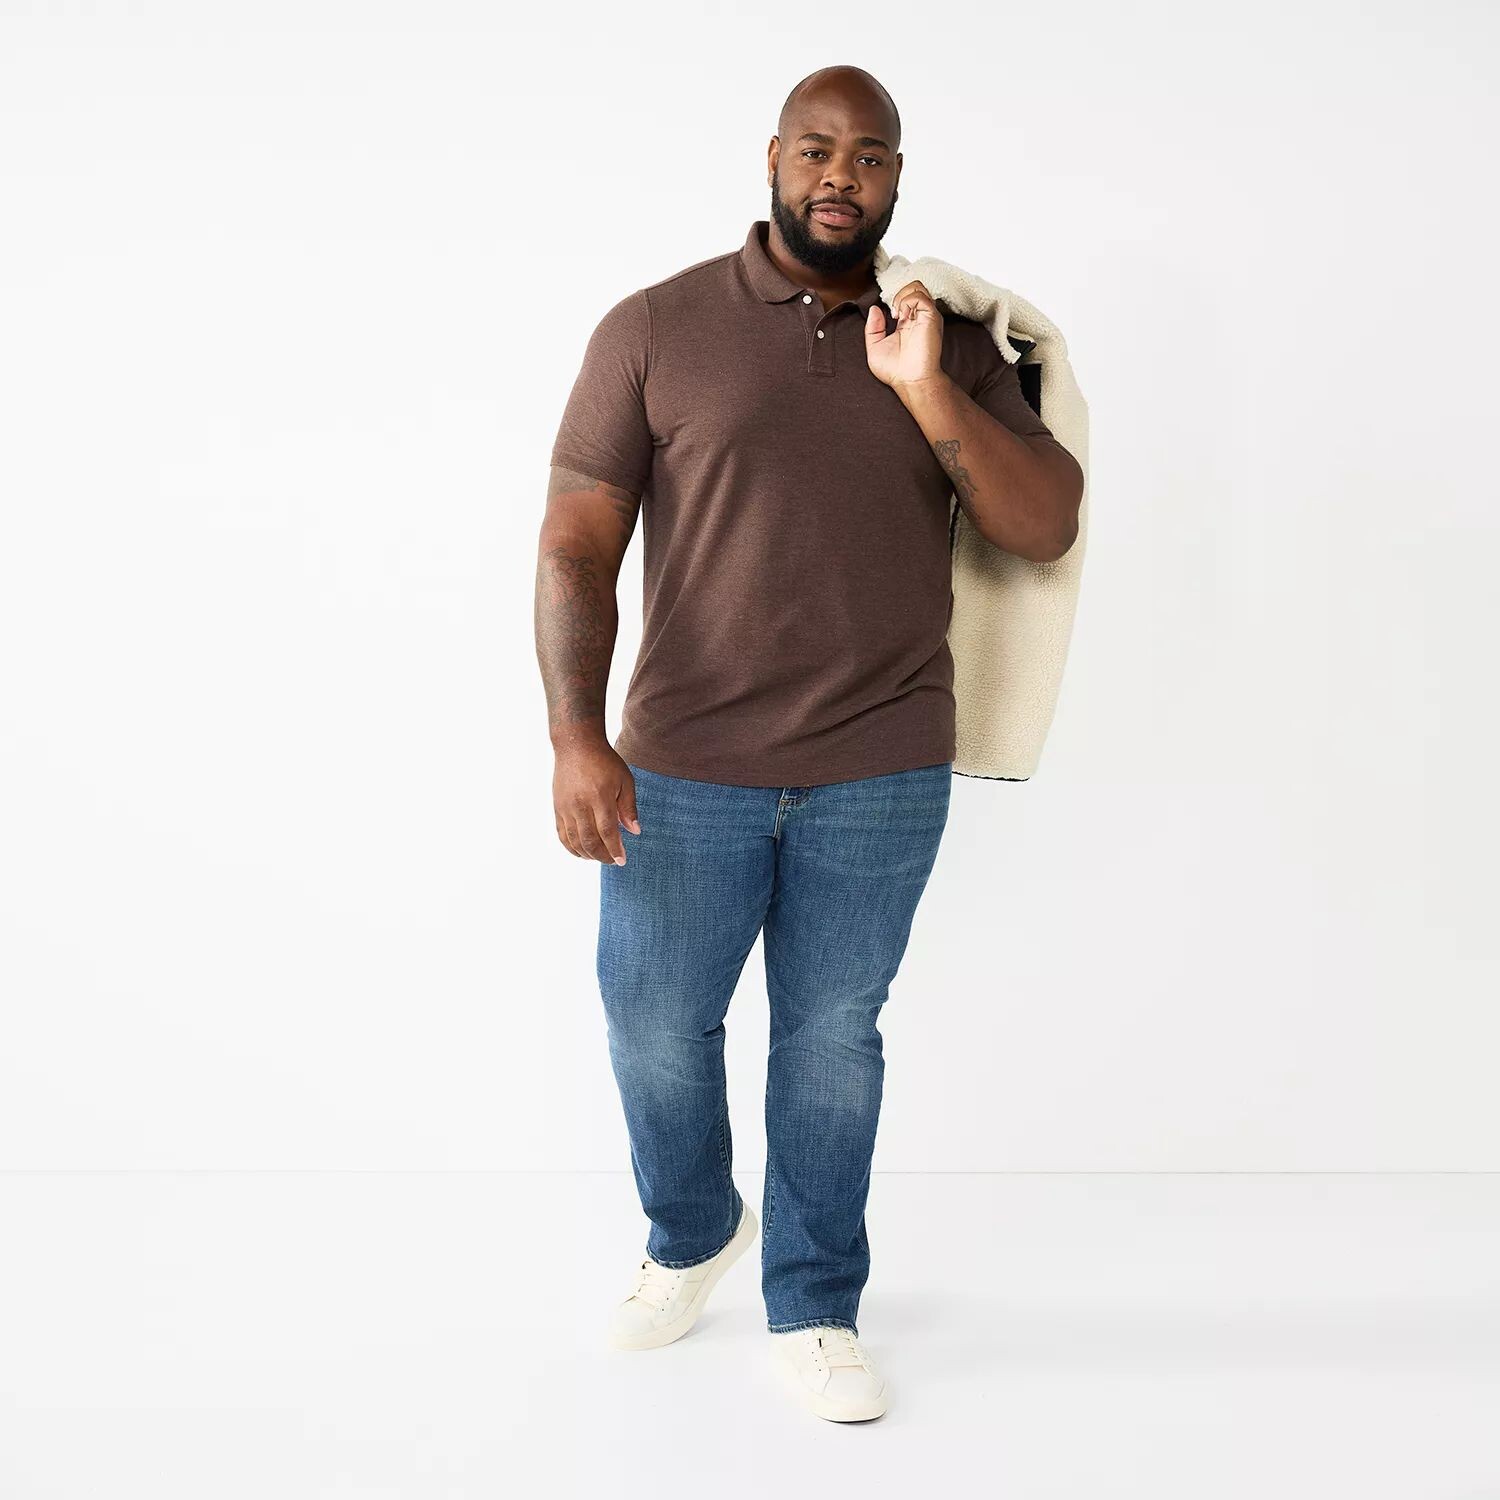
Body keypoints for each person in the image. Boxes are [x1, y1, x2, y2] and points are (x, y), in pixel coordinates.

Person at [533, 64, 1083, 1423]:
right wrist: (574, 738)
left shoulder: (944, 335)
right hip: (683, 762)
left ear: (897, 178)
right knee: (654, 1023)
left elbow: (1043, 524)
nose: (843, 174)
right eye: (819, 149)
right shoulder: (653, 327)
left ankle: (817, 1302)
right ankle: (691, 1232)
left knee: (833, 1038)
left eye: (872, 155)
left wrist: (926, 388)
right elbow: (576, 543)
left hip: (880, 763)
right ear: (775, 158)